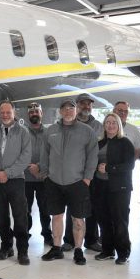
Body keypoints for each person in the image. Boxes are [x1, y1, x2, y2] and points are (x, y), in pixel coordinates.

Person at [40, 98, 98, 266]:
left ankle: (78, 250)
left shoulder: (87, 131)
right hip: (54, 182)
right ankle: (56, 248)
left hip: (77, 182)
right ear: (60, 111)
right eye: (65, 108)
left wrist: (87, 178)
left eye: (71, 108)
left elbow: (92, 156)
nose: (68, 111)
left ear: (76, 110)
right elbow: (44, 155)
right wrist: (45, 175)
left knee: (78, 219)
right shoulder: (50, 131)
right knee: (56, 216)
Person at [0, 101, 32, 265]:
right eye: (2, 112)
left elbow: (25, 157)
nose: (5, 115)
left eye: (8, 112)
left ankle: (23, 251)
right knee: (2, 217)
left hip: (16, 180)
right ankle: (6, 247)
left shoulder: (23, 132)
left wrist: (8, 173)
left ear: (14, 113)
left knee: (20, 217)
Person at [91, 113, 135, 265]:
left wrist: (109, 168)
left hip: (119, 188)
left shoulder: (125, 142)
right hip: (100, 186)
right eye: (107, 122)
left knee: (119, 220)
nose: (110, 125)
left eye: (113, 123)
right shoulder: (100, 143)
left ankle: (123, 252)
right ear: (104, 125)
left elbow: (130, 165)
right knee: (104, 220)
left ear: (119, 125)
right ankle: (108, 250)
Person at [64, 92, 103, 252]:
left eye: (89, 104)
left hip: (92, 173)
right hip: (73, 173)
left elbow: (99, 149)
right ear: (77, 105)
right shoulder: (68, 123)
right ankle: (69, 240)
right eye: (82, 103)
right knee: (72, 207)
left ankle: (92, 240)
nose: (86, 106)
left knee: (92, 206)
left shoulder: (99, 126)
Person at [24, 102, 52, 246]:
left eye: (37, 111)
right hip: (25, 178)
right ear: (28, 115)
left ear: (42, 113)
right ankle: (25, 234)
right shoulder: (22, 132)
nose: (34, 114)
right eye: (31, 112)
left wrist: (39, 167)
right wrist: (30, 167)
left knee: (45, 209)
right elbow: (19, 152)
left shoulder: (49, 131)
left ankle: (47, 235)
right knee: (25, 209)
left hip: (44, 177)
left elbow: (52, 153)